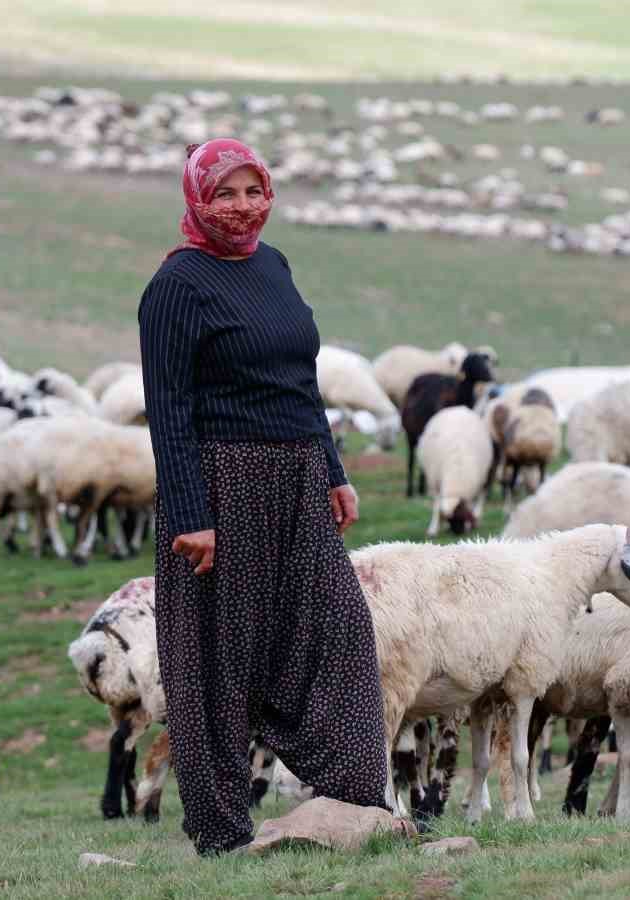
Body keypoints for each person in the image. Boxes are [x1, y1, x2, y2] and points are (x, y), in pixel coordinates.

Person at [138, 138, 391, 856]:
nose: (243, 208)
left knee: (340, 630)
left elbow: (300, 385)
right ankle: (219, 831)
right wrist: (191, 515)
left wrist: (334, 468)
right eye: (225, 194)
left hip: (301, 479)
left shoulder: (273, 266)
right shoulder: (177, 286)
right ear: (197, 199)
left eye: (254, 192)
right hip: (222, 486)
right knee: (216, 660)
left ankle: (353, 800)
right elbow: (169, 408)